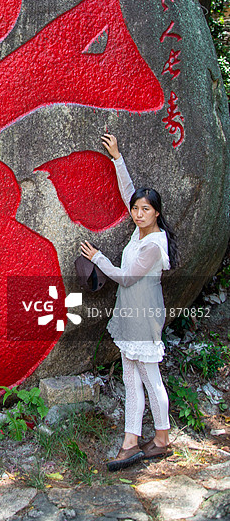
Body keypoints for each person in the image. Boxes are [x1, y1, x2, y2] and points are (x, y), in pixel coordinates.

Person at [80, 133, 179, 472]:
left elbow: (125, 277)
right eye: (136, 209)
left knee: (149, 377)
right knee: (131, 376)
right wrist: (117, 158)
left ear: (157, 213)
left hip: (143, 315)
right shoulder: (142, 230)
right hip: (130, 312)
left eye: (145, 210)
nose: (137, 214)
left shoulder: (153, 245)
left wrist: (99, 258)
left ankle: (162, 439)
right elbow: (130, 194)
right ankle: (131, 441)